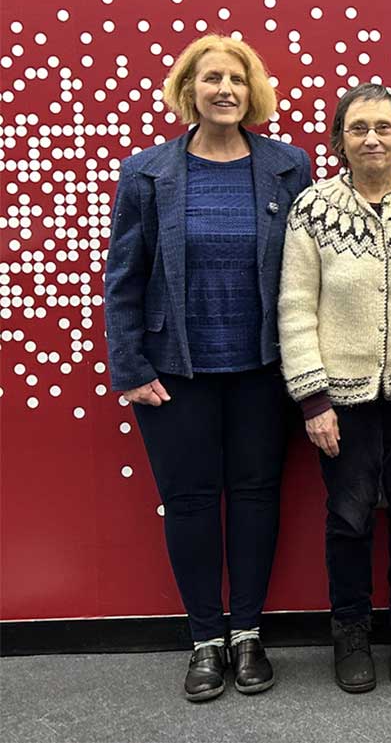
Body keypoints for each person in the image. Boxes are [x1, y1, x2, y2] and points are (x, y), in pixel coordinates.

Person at [103, 34, 311, 701]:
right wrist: (130, 366)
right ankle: (204, 640)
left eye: (237, 79)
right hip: (174, 371)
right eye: (211, 77)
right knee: (190, 502)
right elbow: (123, 276)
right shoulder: (147, 172)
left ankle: (247, 633)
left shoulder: (288, 165)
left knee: (255, 498)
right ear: (187, 89)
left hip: (263, 367)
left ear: (253, 91)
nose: (225, 89)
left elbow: (308, 272)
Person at [278, 83, 391, 693]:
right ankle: (349, 629)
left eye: (384, 127)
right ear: (339, 139)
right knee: (347, 518)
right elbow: (295, 307)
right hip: (340, 399)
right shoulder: (312, 208)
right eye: (358, 128)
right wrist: (312, 398)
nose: (372, 138)